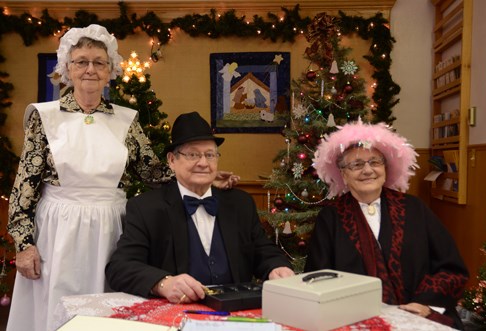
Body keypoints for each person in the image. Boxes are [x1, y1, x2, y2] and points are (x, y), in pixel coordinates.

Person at [6, 25, 237, 331]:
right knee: (56, 312)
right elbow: (25, 187)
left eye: (99, 62)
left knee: (110, 311)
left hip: (112, 229)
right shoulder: (44, 116)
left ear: (109, 70)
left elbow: (154, 172)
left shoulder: (126, 120)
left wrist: (201, 177)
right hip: (57, 233)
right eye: (82, 61)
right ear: (67, 68)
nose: (91, 69)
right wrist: (24, 245)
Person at [105, 111, 295, 303]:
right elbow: (120, 268)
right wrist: (163, 283)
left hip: (235, 310)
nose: (203, 163)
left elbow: (264, 251)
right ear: (172, 160)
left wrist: (276, 267)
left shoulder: (240, 203)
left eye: (210, 154)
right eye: (193, 154)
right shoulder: (146, 208)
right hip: (175, 314)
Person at [304, 119, 469, 330]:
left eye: (374, 162)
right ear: (343, 175)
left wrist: (425, 303)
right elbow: (318, 279)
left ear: (385, 168)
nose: (367, 170)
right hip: (354, 320)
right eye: (356, 165)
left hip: (419, 315)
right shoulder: (330, 217)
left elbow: (451, 268)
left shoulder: (414, 208)